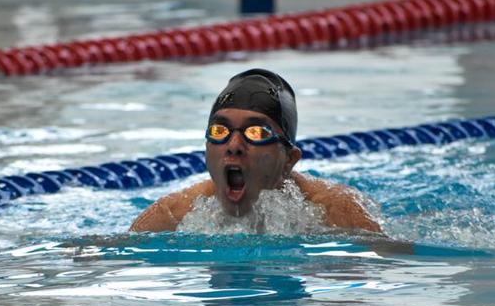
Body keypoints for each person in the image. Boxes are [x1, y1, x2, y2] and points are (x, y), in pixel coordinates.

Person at [129, 68, 382, 233]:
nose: (234, 146)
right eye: (220, 132)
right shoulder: (174, 213)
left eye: (256, 134)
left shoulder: (333, 211)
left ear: (289, 160)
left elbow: (389, 260)